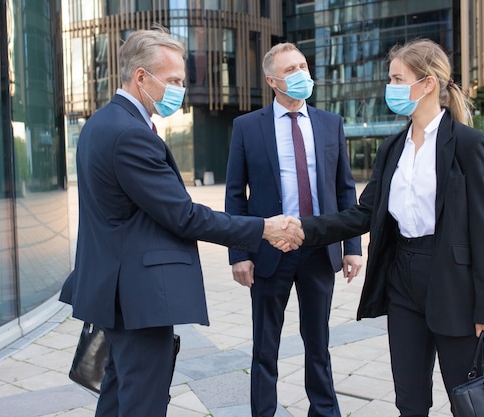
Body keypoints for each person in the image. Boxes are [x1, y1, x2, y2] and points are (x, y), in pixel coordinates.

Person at [59, 28, 303, 417]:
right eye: (172, 80)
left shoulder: (101, 123)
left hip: (116, 292)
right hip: (137, 299)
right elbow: (184, 216)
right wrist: (264, 228)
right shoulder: (129, 135)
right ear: (141, 77)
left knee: (118, 397)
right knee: (143, 403)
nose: (179, 90)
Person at [291, 38, 484, 416]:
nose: (389, 88)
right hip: (403, 276)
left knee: (468, 398)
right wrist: (302, 229)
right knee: (409, 398)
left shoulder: (469, 145)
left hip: (453, 283)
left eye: (396, 78)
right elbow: (362, 213)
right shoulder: (393, 148)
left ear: (427, 84)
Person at [225, 42, 363, 417]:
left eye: (303, 65)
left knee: (318, 342)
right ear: (272, 80)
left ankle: (324, 411)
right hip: (270, 252)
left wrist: (352, 246)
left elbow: (344, 189)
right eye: (291, 70)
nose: (301, 74)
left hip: (319, 250)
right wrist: (239, 254)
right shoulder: (247, 127)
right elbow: (235, 195)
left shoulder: (330, 123)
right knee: (265, 346)